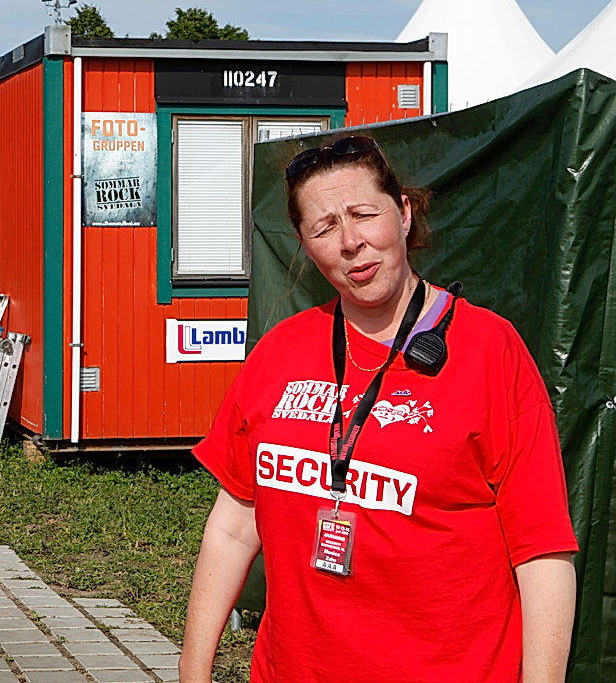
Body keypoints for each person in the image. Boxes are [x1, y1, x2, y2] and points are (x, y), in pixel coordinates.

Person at [180, 135, 578, 683]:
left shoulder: (491, 351)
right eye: (323, 228)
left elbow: (543, 553)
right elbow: (232, 527)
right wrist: (192, 671)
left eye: (364, 214)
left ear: (405, 213)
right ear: (303, 242)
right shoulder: (280, 353)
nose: (350, 241)